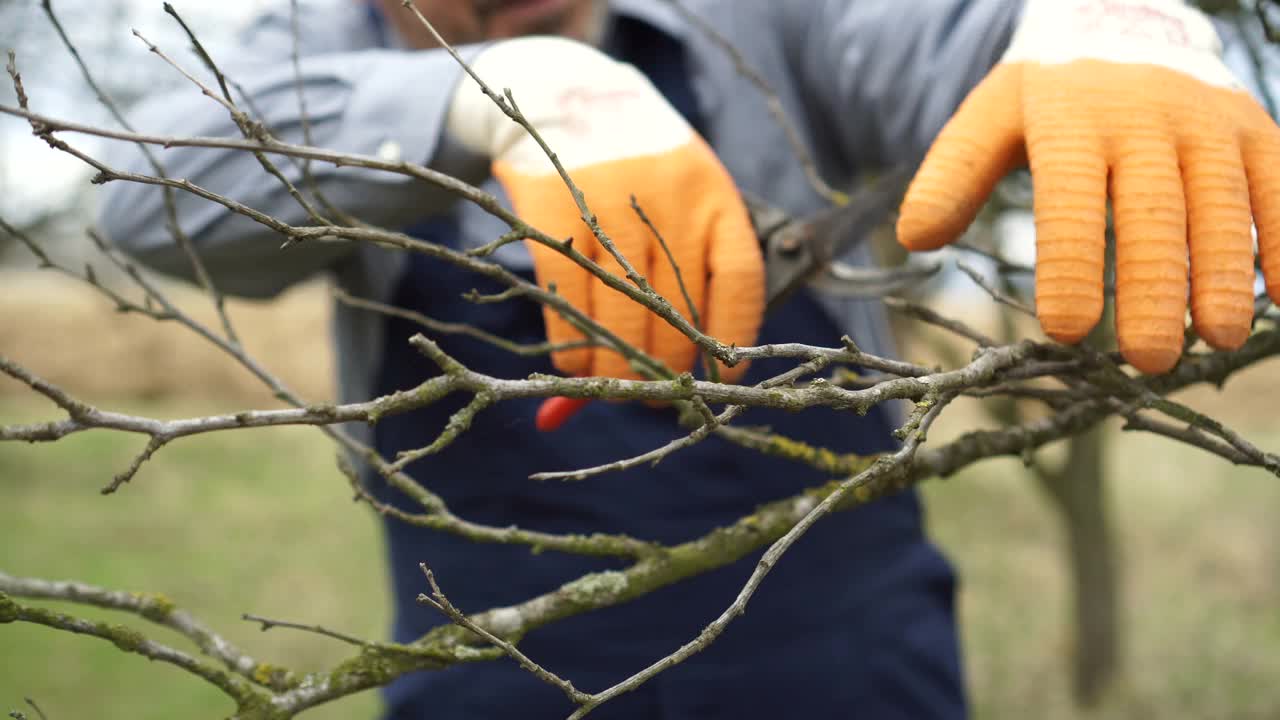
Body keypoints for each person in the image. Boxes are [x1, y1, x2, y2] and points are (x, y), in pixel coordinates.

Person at [96, 0, 1280, 717]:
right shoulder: (289, 45)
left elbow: (950, 34)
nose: (502, 17)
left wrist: (1104, 26)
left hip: (837, 640)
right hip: (491, 649)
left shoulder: (759, 18)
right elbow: (150, 194)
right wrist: (499, 98)